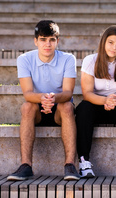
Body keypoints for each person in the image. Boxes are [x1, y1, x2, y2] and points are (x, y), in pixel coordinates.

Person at [7, 20, 81, 181]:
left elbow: (68, 93)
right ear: (35, 41)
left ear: (57, 41)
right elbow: (27, 93)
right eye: (43, 39)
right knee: (27, 107)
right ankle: (26, 165)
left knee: (68, 106)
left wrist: (53, 99)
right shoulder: (24, 59)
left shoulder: (68, 59)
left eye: (52, 40)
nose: (47, 44)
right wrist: (42, 98)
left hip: (60, 109)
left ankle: (70, 165)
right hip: (37, 108)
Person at [75, 25, 116, 178]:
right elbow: (87, 94)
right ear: (103, 41)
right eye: (111, 42)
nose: (114, 48)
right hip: (96, 106)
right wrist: (105, 100)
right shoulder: (90, 60)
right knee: (83, 108)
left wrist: (114, 99)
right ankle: (84, 161)